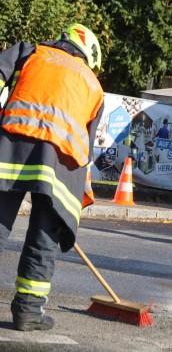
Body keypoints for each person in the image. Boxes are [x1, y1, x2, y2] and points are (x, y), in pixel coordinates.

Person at [0, 24, 104, 331]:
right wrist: (77, 197)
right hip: (60, 168)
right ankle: (28, 312)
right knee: (45, 236)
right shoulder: (94, 86)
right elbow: (85, 147)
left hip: (12, 150)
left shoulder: (29, 52)